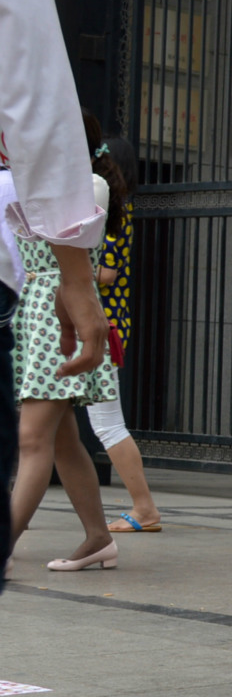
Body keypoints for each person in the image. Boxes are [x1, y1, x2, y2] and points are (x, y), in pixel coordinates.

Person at [0, 0, 110, 587]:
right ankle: (95, 531)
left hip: (37, 308)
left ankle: (95, 532)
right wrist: (75, 270)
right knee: (48, 432)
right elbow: (31, 69)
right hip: (36, 304)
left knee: (47, 431)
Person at [10, 164, 118, 572]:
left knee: (34, 438)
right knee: (61, 441)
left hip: (60, 312)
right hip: (32, 312)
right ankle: (98, 537)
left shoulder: (89, 185)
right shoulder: (20, 183)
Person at [82, 113, 162, 535]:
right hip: (97, 323)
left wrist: (62, 262)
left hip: (102, 325)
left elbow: (106, 273)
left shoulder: (111, 209)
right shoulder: (112, 206)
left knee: (106, 422)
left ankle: (144, 508)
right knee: (47, 426)